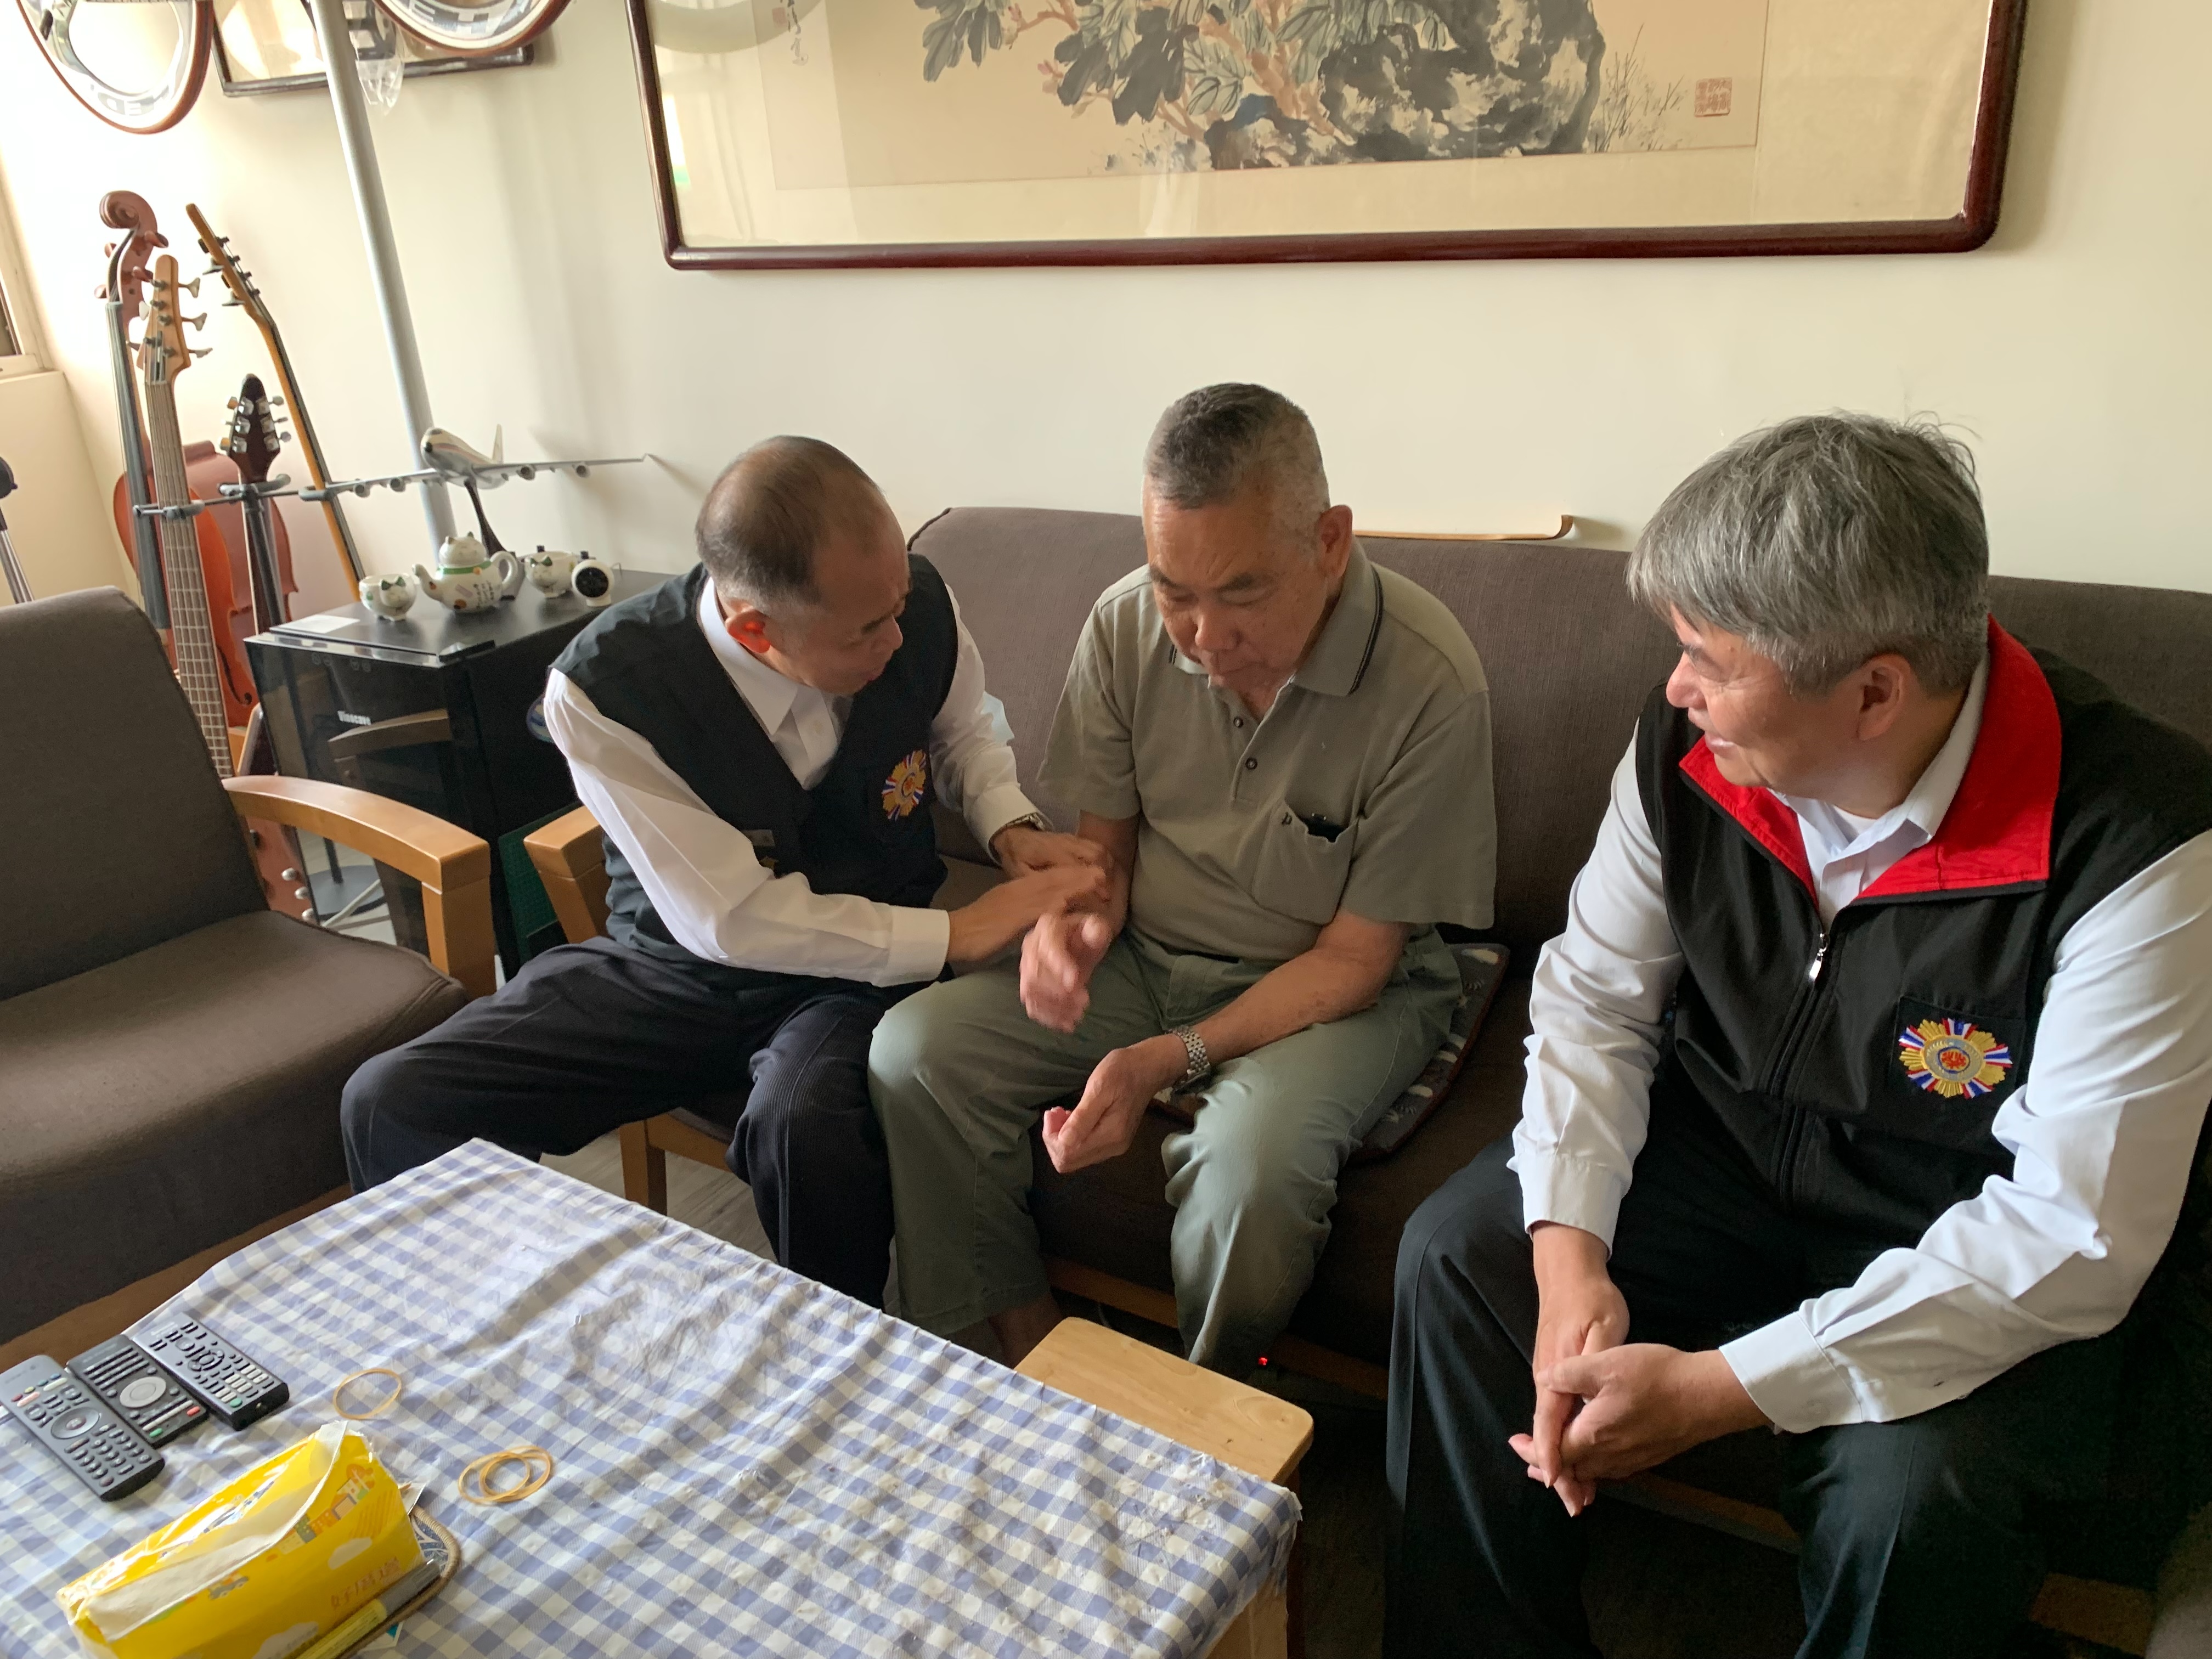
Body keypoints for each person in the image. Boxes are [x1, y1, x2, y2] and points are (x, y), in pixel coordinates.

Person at [1385, 414, 2212, 1658]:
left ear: (1875, 691)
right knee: (1463, 1260)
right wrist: (1569, 1260)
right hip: (1720, 1160)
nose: (1677, 689)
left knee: (1909, 1503)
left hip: (1955, 1226)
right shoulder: (1690, 751)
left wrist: (1723, 1390)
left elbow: (2071, 1230)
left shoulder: (2142, 847)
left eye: (1706, 660)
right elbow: (1598, 994)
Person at [340, 437, 1102, 1306]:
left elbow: (962, 730)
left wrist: (1009, 826)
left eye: (897, 605)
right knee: (395, 1098)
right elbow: (727, 919)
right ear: (753, 630)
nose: (898, 637)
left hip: (854, 980)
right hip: (674, 969)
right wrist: (959, 932)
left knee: (804, 1123)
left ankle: (831, 1350)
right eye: (866, 630)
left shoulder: (913, 604)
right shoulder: (603, 691)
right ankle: (471, 1326)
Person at [870, 383, 1497, 1374]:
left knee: (1249, 1175)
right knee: (915, 1054)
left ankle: (1205, 1415)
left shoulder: (1429, 680)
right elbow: (1106, 855)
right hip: (1150, 955)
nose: (1204, 638)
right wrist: (1076, 927)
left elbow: (1355, 960)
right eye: (1176, 591)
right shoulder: (1123, 627)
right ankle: (1023, 1352)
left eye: (1242, 594)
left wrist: (1170, 1057)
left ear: (1330, 541)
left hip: (1332, 992)